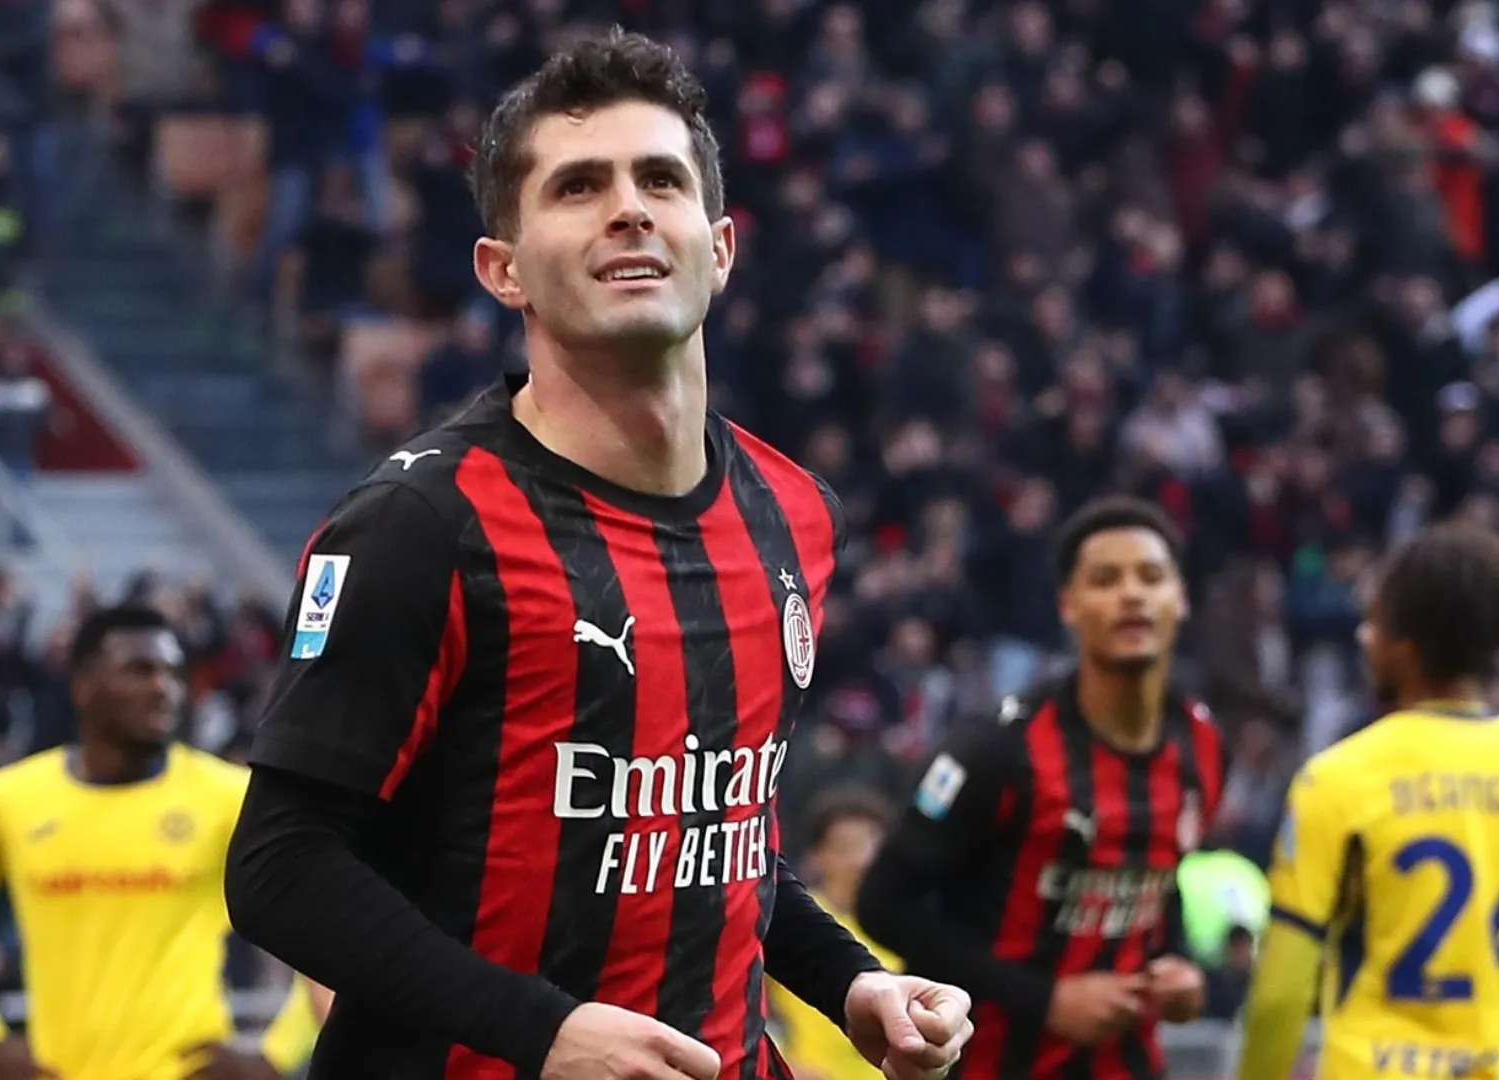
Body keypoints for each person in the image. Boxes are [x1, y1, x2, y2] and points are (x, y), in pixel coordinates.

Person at [223, 28, 974, 1080]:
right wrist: (545, 1031)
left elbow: (717, 829)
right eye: (578, 186)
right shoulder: (420, 523)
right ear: (504, 269)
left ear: (718, 245)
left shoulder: (794, 513)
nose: (628, 206)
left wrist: (851, 981)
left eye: (659, 178)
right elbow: (278, 868)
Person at [856, 495, 1226, 1080]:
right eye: (1106, 579)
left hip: (1126, 1065)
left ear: (1180, 599)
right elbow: (884, 905)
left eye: (1150, 577)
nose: (1132, 593)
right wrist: (1044, 998)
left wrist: (1176, 968)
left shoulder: (1203, 746)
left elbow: (1154, 882)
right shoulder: (998, 749)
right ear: (1068, 606)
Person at [0, 605, 271, 1080]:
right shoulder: (9, 801)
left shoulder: (231, 798)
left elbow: (328, 920)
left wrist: (273, 1057)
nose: (164, 688)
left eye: (172, 673)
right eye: (140, 670)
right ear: (82, 687)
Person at [1236, 524, 1499, 1080]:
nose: (1362, 637)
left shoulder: (1340, 778)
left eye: (1372, 622)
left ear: (1406, 644)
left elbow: (1281, 990)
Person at [769, 790, 904, 1079]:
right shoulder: (791, 928)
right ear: (817, 856)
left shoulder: (902, 930)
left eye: (871, 845)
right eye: (845, 847)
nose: (860, 859)